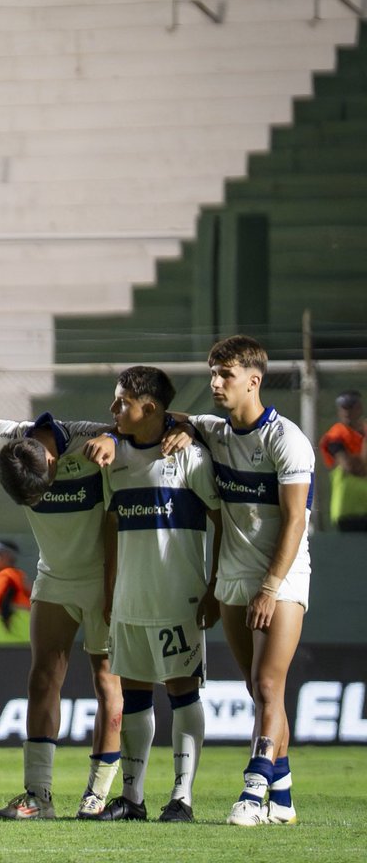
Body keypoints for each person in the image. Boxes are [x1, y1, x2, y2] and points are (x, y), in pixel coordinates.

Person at [85, 366, 222, 824]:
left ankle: (182, 799)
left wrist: (214, 587)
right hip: (128, 602)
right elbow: (111, 525)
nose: (112, 409)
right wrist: (110, 591)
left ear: (151, 408)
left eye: (121, 401)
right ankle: (133, 798)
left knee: (183, 692)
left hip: (177, 599)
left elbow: (220, 519)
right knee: (134, 695)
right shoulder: (115, 457)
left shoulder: (189, 458)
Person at [192, 336, 315, 826]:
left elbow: (295, 522)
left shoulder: (286, 440)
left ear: (253, 380)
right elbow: (173, 420)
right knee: (258, 688)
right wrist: (180, 433)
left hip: (281, 578)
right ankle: (282, 799)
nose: (216, 383)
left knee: (267, 684)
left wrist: (270, 587)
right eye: (213, 374)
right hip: (233, 574)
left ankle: (254, 789)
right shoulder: (214, 432)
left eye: (225, 375)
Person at [0, 414, 126, 820]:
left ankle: (96, 795)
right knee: (42, 677)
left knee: (106, 681)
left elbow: (134, 429)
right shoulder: (11, 435)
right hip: (54, 578)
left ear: (51, 464)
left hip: (101, 579)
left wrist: (114, 439)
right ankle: (38, 797)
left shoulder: (89, 440)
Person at [317, 390, 367, 532]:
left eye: (351, 407)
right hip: (348, 510)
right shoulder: (337, 434)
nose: (346, 411)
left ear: (359, 408)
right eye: (343, 407)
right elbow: (350, 466)